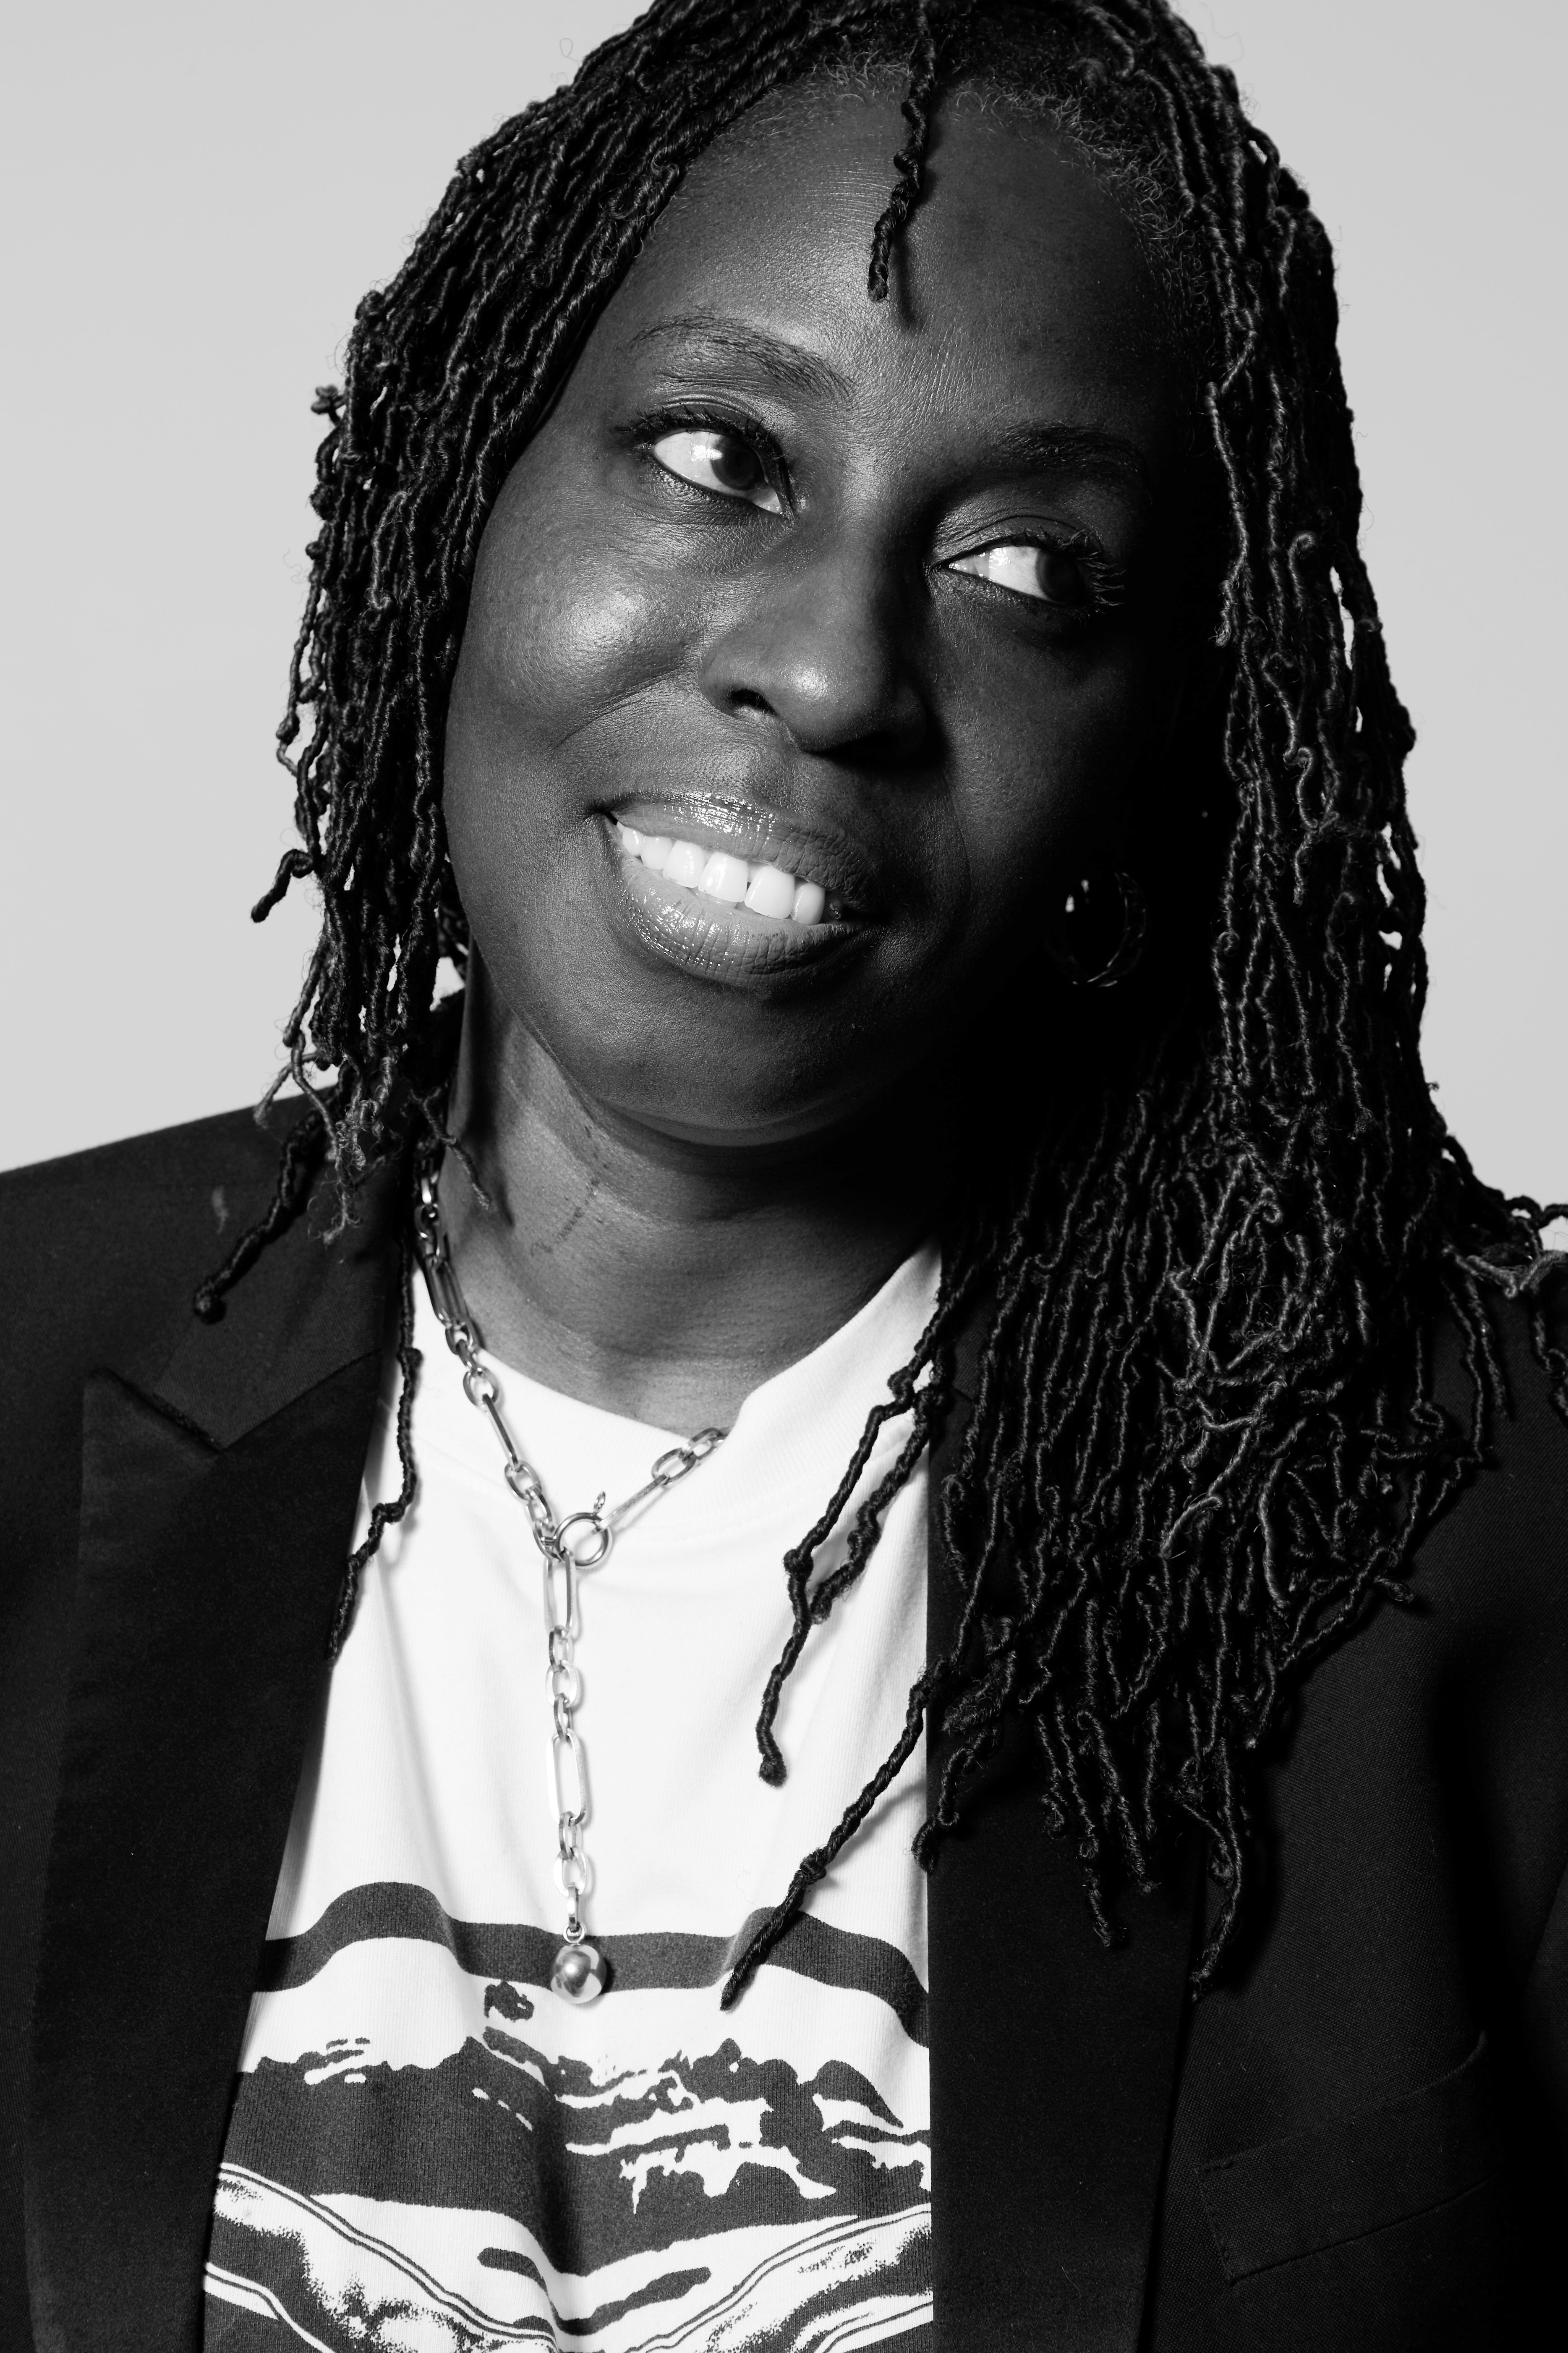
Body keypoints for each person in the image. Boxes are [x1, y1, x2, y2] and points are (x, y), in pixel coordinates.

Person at [3, 3, 1564, 2348]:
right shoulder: (7, 1391)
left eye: (1029, 567)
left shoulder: (1485, 1515)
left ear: (1168, 733)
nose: (834, 670)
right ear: (469, 483)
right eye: (719, 456)